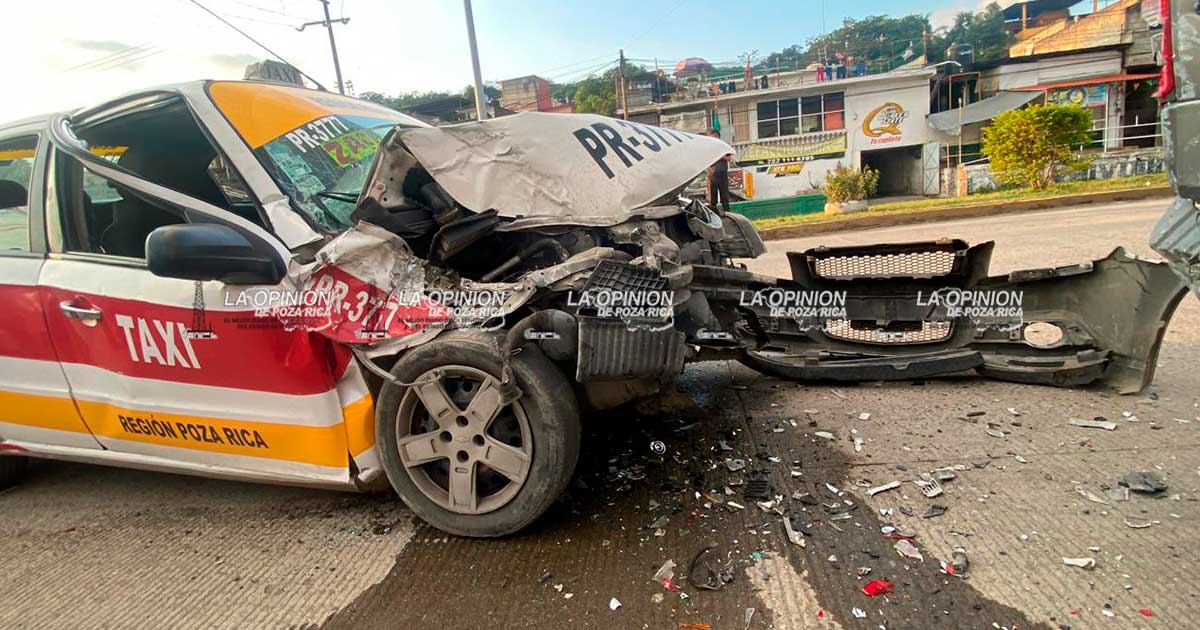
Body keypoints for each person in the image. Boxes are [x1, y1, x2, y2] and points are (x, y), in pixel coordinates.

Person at [705, 129, 733, 213]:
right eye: (712, 136)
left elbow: (729, 158)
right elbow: (706, 160)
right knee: (713, 198)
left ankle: (727, 213)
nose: (714, 138)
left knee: (724, 195)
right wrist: (709, 169)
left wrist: (720, 156)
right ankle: (714, 214)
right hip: (713, 174)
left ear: (719, 137)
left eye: (716, 136)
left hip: (723, 173)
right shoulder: (708, 148)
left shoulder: (724, 146)